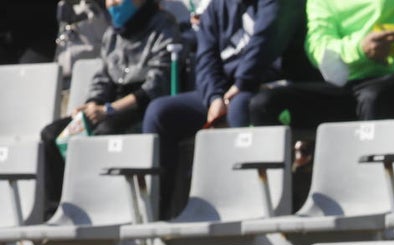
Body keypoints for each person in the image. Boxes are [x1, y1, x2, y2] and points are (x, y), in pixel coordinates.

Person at [141, 0, 305, 215]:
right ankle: (158, 216)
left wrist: (241, 83)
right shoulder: (216, 8)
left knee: (240, 107)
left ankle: (247, 209)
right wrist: (214, 97)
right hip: (224, 91)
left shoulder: (279, 4)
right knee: (160, 113)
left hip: (268, 85)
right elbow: (206, 59)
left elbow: (266, 40)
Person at [38, 0, 180, 213]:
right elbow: (102, 77)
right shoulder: (113, 33)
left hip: (140, 107)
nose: (112, 3)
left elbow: (156, 85)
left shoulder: (163, 25)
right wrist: (90, 105)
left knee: (104, 133)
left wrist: (110, 110)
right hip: (107, 106)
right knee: (52, 135)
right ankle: (59, 212)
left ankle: (102, 209)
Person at [248, 0, 394, 130]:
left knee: (373, 98)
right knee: (264, 104)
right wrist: (360, 49)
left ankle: (372, 188)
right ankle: (278, 188)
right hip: (350, 89)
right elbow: (318, 46)